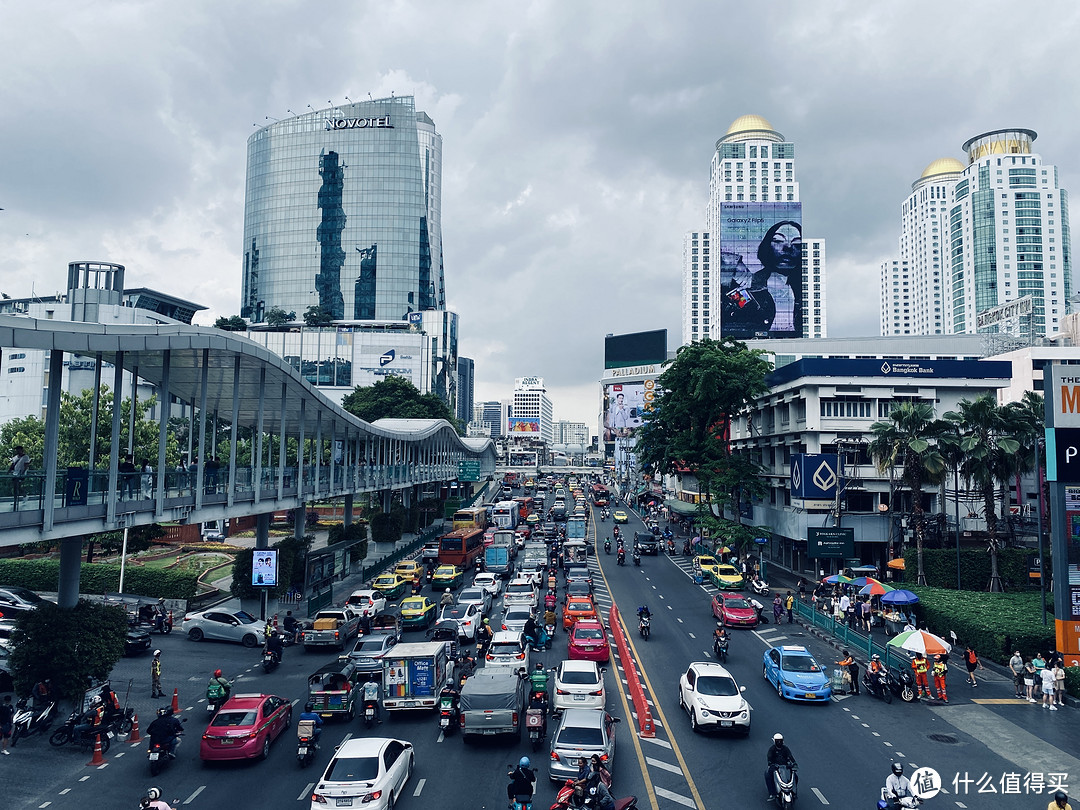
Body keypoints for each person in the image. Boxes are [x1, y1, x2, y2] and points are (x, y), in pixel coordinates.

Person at [765, 732, 797, 801]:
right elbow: (769, 757)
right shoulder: (772, 749)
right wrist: (771, 763)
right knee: (767, 775)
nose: (779, 742)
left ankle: (794, 792)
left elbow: (790, 756)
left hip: (785, 766)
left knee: (795, 776)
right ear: (774, 741)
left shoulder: (785, 748)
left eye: (780, 740)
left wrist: (794, 763)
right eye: (777, 741)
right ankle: (772, 793)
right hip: (775, 767)